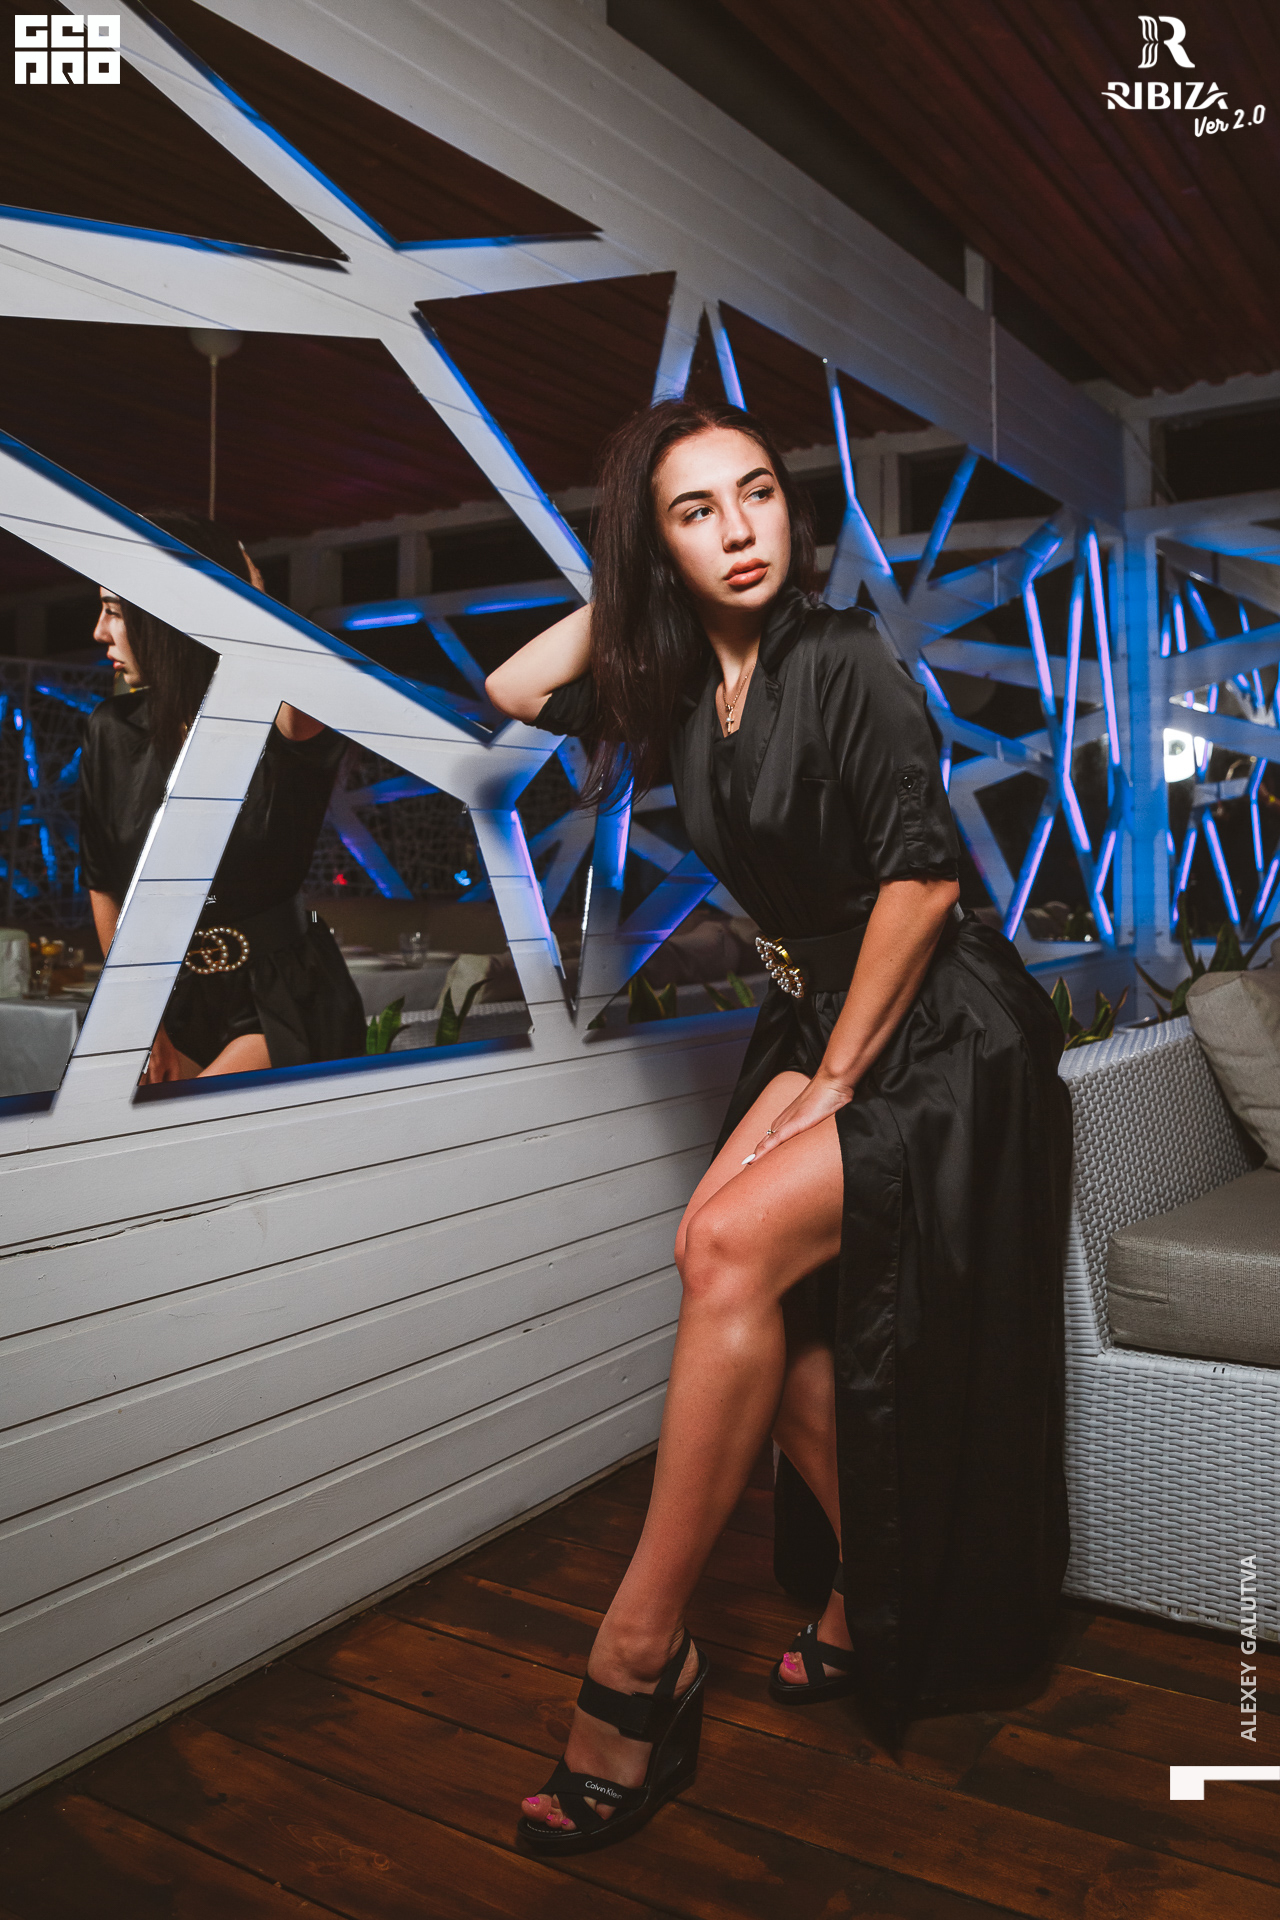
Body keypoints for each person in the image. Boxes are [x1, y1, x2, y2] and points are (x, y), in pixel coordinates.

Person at [485, 400, 1072, 1856]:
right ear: (657, 547)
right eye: (695, 512)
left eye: (756, 494)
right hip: (821, 1019)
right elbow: (513, 685)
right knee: (719, 1256)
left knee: (730, 1245)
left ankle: (638, 1655)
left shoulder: (842, 655)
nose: (741, 530)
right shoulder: (684, 685)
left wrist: (834, 1079)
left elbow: (923, 883)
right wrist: (629, 583)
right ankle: (877, 1584)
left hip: (941, 1029)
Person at [82, 510, 366, 1081]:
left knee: (202, 1131)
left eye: (114, 610)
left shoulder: (283, 718)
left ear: (170, 610)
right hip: (165, 998)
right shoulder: (112, 728)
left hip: (281, 998)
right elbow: (104, 886)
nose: (99, 632)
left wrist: (248, 598)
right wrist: (134, 1018)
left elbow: (321, 680)